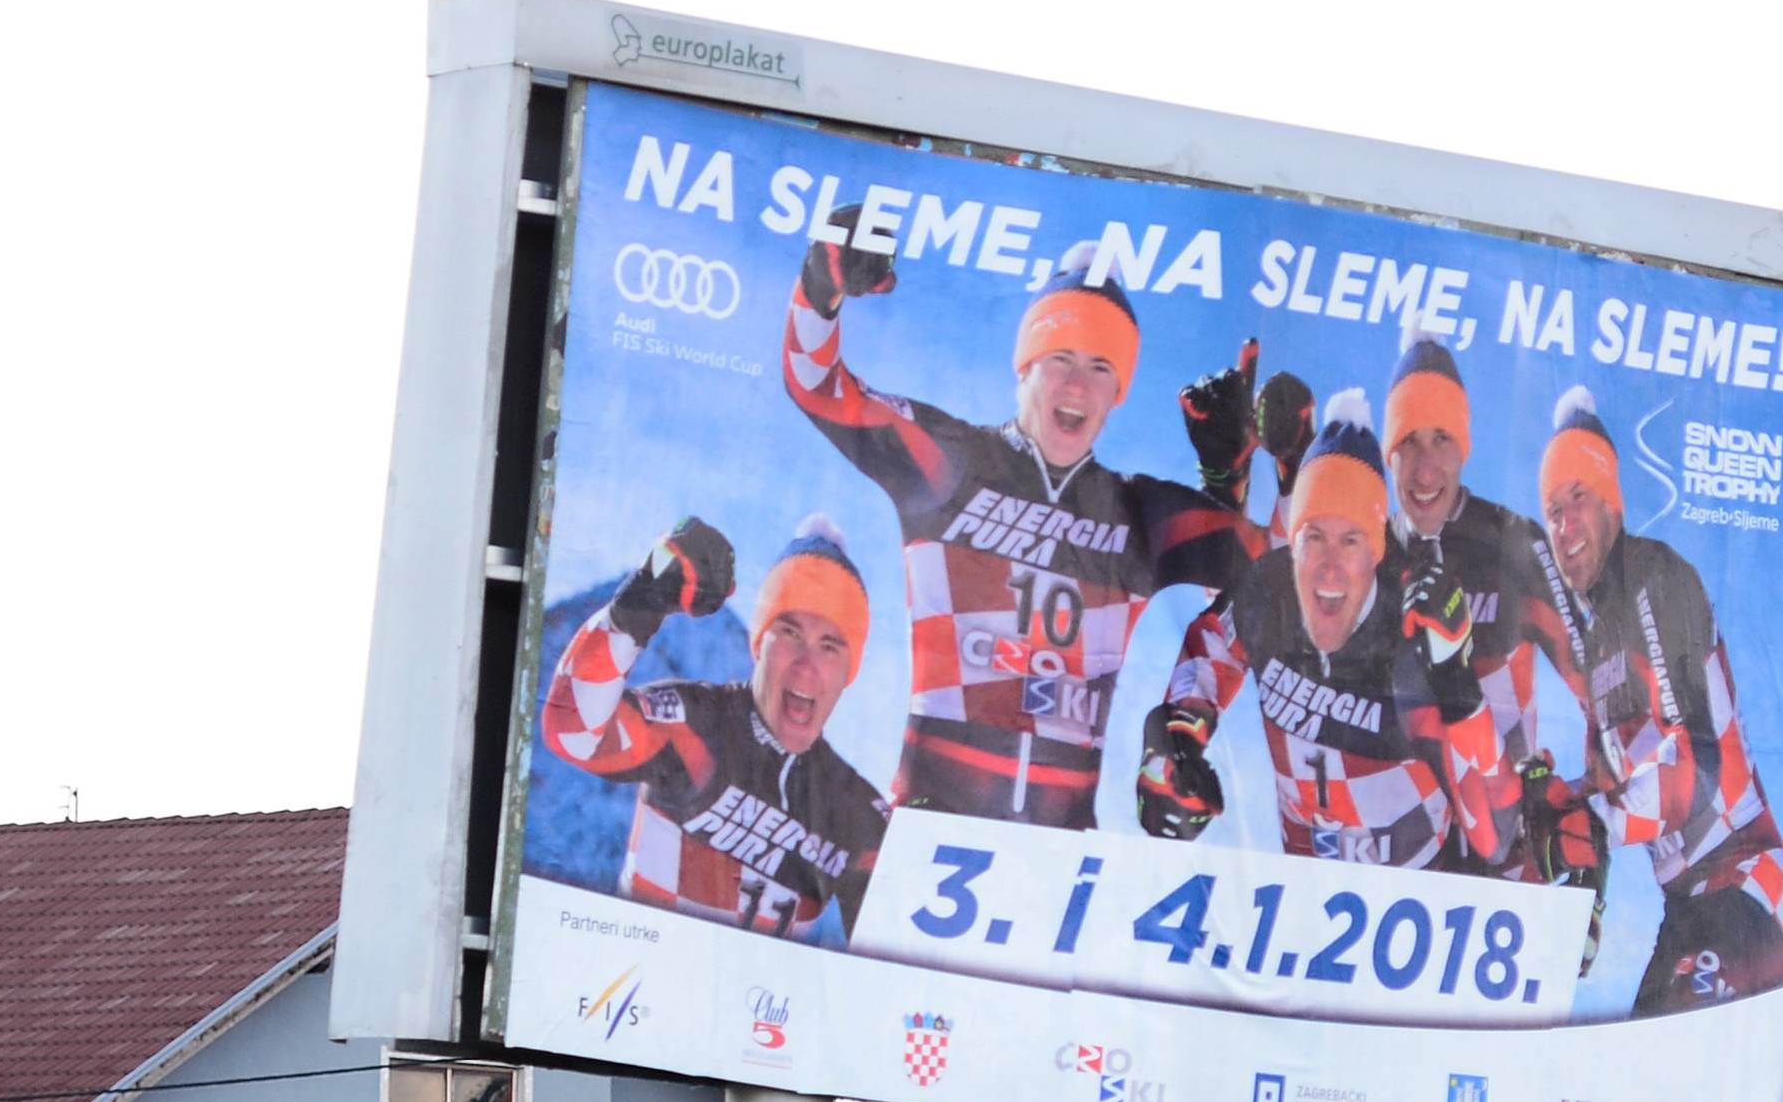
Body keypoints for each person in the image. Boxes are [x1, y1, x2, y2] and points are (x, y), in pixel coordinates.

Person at [783, 218, 1303, 827]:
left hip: (1061, 852)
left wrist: (1241, 471)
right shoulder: (949, 464)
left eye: (1102, 367)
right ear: (1024, 368)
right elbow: (820, 387)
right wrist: (821, 288)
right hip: (928, 827)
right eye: (1060, 357)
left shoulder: (1141, 515)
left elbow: (1286, 580)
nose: (1078, 384)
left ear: (1119, 394)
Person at [1140, 391, 1505, 869]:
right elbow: (1213, 642)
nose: (1330, 569)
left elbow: (1490, 807)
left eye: (1351, 539)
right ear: (1296, 543)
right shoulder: (1268, 590)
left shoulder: (1412, 610)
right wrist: (1177, 741)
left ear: (1376, 547)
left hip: (1415, 886)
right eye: (1314, 536)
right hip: (1300, 883)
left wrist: (1458, 684)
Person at [1536, 389, 1783, 1014]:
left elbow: (1693, 774)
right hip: (1689, 915)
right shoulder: (1596, 643)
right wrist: (1552, 810)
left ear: (1611, 498)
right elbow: (1614, 785)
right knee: (1630, 1076)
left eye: (1578, 499)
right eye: (1552, 512)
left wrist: (1592, 824)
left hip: (1746, 887)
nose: (1565, 528)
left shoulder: (1654, 580)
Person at [541, 513, 889, 944]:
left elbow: (899, 964)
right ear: (759, 643)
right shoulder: (697, 723)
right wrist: (643, 599)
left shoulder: (855, 811)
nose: (806, 665)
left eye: (830, 646)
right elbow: (573, 729)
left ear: (847, 674)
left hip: (752, 1010)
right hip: (638, 994)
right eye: (790, 632)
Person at [1381, 335, 1599, 918]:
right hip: (1404, 848)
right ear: (1387, 453)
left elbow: (1605, 692)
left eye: (1443, 439)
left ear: (1466, 448)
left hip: (1502, 839)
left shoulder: (1516, 546)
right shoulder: (1367, 557)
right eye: (1408, 441)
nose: (1425, 467)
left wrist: (1584, 846)